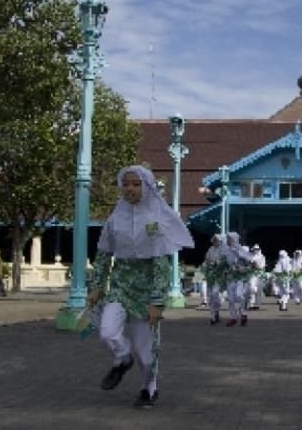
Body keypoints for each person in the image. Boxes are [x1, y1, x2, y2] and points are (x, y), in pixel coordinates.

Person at [87, 165, 195, 408]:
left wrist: (157, 301)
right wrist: (96, 286)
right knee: (107, 331)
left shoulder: (155, 220)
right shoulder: (115, 219)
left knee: (146, 354)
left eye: (136, 184)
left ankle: (149, 388)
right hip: (121, 284)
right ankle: (123, 359)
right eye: (126, 184)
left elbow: (161, 264)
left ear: (146, 186)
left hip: (147, 291)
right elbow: (104, 254)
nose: (130, 189)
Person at [223, 232, 254, 326]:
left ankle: (243, 314)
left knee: (239, 295)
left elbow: (252, 263)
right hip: (231, 277)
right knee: (231, 298)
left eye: (229, 239)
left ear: (233, 240)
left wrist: (243, 268)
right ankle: (233, 317)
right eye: (227, 238)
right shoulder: (227, 251)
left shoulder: (241, 250)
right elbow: (224, 263)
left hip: (241, 277)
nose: (227, 240)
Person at [200, 234, 227, 324]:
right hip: (210, 275)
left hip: (219, 276)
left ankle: (216, 312)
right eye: (214, 240)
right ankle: (213, 315)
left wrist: (216, 263)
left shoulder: (224, 250)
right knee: (211, 296)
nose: (215, 241)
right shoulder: (210, 249)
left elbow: (224, 262)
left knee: (216, 295)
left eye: (217, 240)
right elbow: (207, 259)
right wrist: (209, 262)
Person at [247, 244, 266, 310]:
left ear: (259, 250)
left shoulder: (262, 257)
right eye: (254, 249)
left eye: (257, 249)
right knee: (252, 288)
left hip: (260, 275)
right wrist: (251, 265)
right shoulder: (250, 256)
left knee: (259, 290)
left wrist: (256, 265)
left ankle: (257, 304)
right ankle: (251, 304)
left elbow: (262, 266)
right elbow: (248, 265)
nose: (255, 251)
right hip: (252, 274)